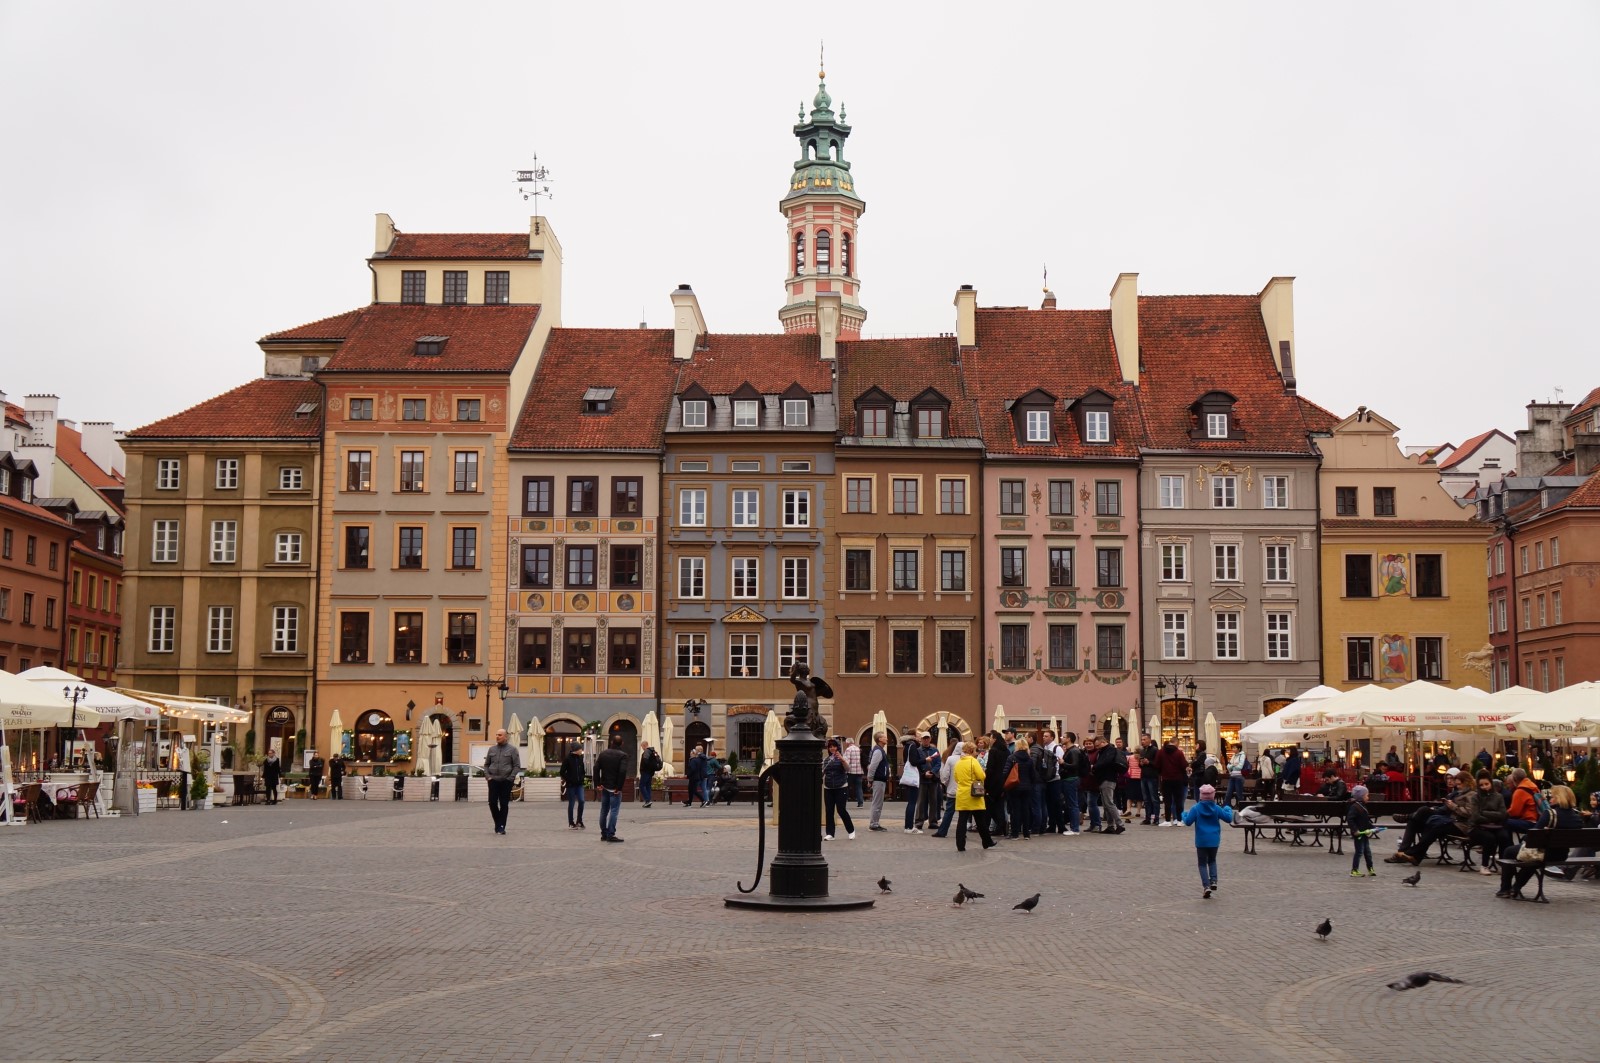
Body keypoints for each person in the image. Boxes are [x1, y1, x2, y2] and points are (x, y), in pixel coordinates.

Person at [1498, 785, 1582, 899]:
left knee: (1509, 851)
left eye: (1552, 797)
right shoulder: (1577, 817)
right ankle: (1515, 888)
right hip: (1561, 855)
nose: (1550, 799)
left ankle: (1505, 889)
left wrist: (1524, 839)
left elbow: (1532, 836)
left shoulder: (1550, 814)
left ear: (1558, 798)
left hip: (1544, 853)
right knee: (1533, 860)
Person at [1181, 783, 1234, 898]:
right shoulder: (1216, 808)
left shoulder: (1196, 808)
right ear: (1213, 796)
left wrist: (1183, 814)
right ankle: (1214, 880)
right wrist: (1228, 808)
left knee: (1202, 864)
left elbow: (1188, 822)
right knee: (1212, 860)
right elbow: (1228, 818)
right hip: (1214, 840)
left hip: (1201, 840)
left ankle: (1206, 886)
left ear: (1200, 796)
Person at [952, 740, 995, 852]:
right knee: (980, 820)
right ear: (971, 751)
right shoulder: (973, 761)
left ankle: (960, 845)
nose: (977, 752)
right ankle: (987, 841)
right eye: (975, 750)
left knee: (962, 821)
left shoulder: (959, 763)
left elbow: (956, 778)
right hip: (974, 793)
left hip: (962, 794)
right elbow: (981, 776)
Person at [483, 728, 522, 836]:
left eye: (500, 735)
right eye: (496, 734)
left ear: (505, 737)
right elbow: (486, 765)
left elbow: (517, 765)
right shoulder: (492, 749)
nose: (497, 736)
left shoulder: (512, 750)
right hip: (493, 780)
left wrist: (511, 778)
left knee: (504, 804)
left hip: (506, 781)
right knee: (492, 803)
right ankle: (498, 823)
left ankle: (501, 827)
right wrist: (488, 776)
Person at [592, 734, 628, 843]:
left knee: (604, 810)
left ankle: (604, 833)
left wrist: (598, 783)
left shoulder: (603, 754)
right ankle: (611, 834)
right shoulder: (623, 756)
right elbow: (622, 772)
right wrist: (619, 787)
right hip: (615, 788)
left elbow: (596, 768)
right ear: (622, 744)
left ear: (611, 742)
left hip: (605, 786)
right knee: (614, 810)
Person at [822, 739, 855, 840]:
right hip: (828, 788)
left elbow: (848, 769)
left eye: (834, 746)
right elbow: (823, 771)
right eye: (830, 746)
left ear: (838, 747)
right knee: (829, 811)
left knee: (841, 810)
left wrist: (842, 759)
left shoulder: (842, 758)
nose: (832, 748)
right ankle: (830, 833)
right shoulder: (826, 760)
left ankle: (851, 830)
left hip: (841, 787)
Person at [1005, 736, 1037, 839]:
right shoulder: (1029, 759)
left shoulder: (1012, 757)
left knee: (1015, 810)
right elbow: (1033, 775)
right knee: (1026, 810)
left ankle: (1015, 833)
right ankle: (1026, 834)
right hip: (1027, 787)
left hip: (1014, 787)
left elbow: (1005, 772)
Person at [1093, 734, 1127, 834]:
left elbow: (1105, 762)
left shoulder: (1110, 750)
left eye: (1098, 745)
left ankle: (1120, 824)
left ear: (1103, 742)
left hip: (1108, 779)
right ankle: (1110, 826)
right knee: (1106, 804)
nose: (1097, 747)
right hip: (1104, 779)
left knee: (1109, 803)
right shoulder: (1104, 751)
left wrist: (1094, 767)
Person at [931, 741, 963, 838]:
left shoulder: (950, 759)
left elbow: (944, 775)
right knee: (963, 814)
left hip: (952, 790)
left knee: (949, 812)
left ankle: (942, 831)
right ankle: (962, 833)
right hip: (964, 791)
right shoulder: (968, 759)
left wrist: (947, 784)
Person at [913, 733, 942, 833]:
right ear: (921, 740)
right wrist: (923, 773)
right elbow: (916, 763)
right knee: (921, 801)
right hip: (922, 779)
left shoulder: (935, 750)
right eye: (924, 738)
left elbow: (938, 763)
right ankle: (919, 822)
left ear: (930, 739)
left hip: (933, 779)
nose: (926, 740)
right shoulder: (918, 751)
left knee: (933, 801)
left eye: (927, 738)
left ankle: (933, 821)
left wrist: (932, 772)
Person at [984, 730, 1011, 836]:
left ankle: (994, 826)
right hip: (1003, 781)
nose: (989, 740)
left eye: (990, 738)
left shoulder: (993, 751)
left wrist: (986, 784)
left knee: (990, 806)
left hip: (993, 783)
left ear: (994, 739)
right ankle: (1002, 827)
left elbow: (990, 769)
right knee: (999, 805)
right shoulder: (1006, 751)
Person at [1346, 784, 1377, 877]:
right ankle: (1354, 870)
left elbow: (1366, 821)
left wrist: (1373, 828)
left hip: (1364, 832)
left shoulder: (1361, 806)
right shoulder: (1355, 807)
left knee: (1367, 852)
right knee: (1359, 852)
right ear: (1361, 796)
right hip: (1359, 834)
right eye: (1367, 795)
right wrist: (1355, 830)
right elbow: (1350, 819)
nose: (1368, 797)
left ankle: (1370, 868)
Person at [1155, 740, 1188, 826]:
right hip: (1178, 779)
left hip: (1166, 779)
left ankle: (1167, 820)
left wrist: (1161, 772)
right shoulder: (1179, 752)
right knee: (1178, 800)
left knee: (1167, 800)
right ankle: (1179, 820)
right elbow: (1184, 765)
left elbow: (1157, 765)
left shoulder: (1161, 752)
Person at [1059, 732, 1086, 836]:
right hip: (1069, 779)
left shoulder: (1074, 751)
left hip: (1071, 779)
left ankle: (1075, 828)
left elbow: (1075, 765)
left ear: (1069, 739)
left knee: (1072, 804)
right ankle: (1074, 827)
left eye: (1064, 737)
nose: (1062, 738)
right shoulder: (1071, 750)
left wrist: (1063, 763)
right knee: (1071, 804)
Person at [1504, 767, 1541, 836]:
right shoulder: (1533, 786)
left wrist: (1502, 814)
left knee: (1504, 822)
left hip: (1529, 822)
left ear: (1514, 779)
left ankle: (1508, 845)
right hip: (1537, 821)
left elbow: (1514, 812)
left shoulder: (1520, 791)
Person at [865, 732, 891, 831]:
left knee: (878, 802)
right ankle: (874, 824)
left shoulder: (879, 750)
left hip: (879, 779)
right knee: (877, 802)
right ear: (879, 739)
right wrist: (870, 779)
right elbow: (872, 767)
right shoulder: (878, 751)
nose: (887, 739)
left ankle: (875, 823)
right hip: (878, 780)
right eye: (884, 737)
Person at [560, 743, 586, 829]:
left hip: (579, 784)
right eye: (580, 749)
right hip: (571, 785)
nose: (581, 750)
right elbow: (562, 772)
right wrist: (569, 779)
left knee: (581, 801)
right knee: (572, 803)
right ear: (576, 750)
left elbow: (582, 769)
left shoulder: (580, 758)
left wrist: (582, 777)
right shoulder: (567, 759)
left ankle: (579, 821)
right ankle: (571, 822)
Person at [1138, 734, 1161, 825]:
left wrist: (1149, 762)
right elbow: (1140, 764)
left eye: (1144, 739)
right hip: (1143, 776)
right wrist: (1141, 763)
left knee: (1154, 798)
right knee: (1146, 799)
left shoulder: (1155, 750)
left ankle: (1156, 818)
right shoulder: (1142, 751)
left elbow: (1158, 764)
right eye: (1141, 739)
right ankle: (1147, 818)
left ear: (1149, 740)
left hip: (1152, 777)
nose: (1142, 741)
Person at [638, 741, 661, 808]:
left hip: (645, 772)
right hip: (651, 772)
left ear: (644, 745)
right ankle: (648, 801)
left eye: (642, 746)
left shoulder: (646, 752)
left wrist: (644, 768)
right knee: (648, 786)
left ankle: (647, 800)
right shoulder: (653, 751)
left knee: (642, 785)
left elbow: (645, 761)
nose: (642, 748)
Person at [843, 736, 864, 808]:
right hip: (859, 771)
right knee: (859, 787)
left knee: (846, 787)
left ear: (848, 743)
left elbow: (847, 761)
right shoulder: (858, 749)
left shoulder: (848, 749)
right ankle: (860, 803)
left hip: (850, 771)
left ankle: (844, 801)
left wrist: (844, 769)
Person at [176, 740, 193, 810]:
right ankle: (186, 804)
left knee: (189, 790)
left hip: (187, 773)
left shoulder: (186, 751)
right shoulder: (179, 751)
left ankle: (189, 803)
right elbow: (180, 757)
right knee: (186, 790)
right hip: (185, 773)